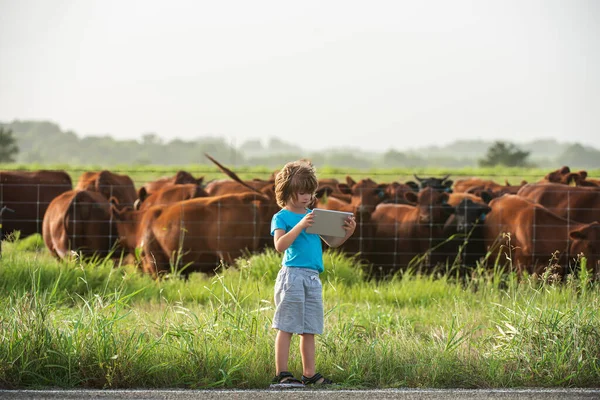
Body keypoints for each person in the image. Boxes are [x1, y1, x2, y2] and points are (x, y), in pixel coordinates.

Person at [269, 159, 356, 388]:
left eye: (310, 192)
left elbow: (333, 242)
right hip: (292, 277)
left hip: (312, 278)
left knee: (310, 328)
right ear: (287, 191)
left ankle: (310, 374)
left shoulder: (313, 215)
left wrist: (347, 232)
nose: (307, 197)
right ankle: (282, 373)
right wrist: (300, 225)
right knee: (287, 325)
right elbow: (280, 245)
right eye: (301, 192)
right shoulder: (282, 217)